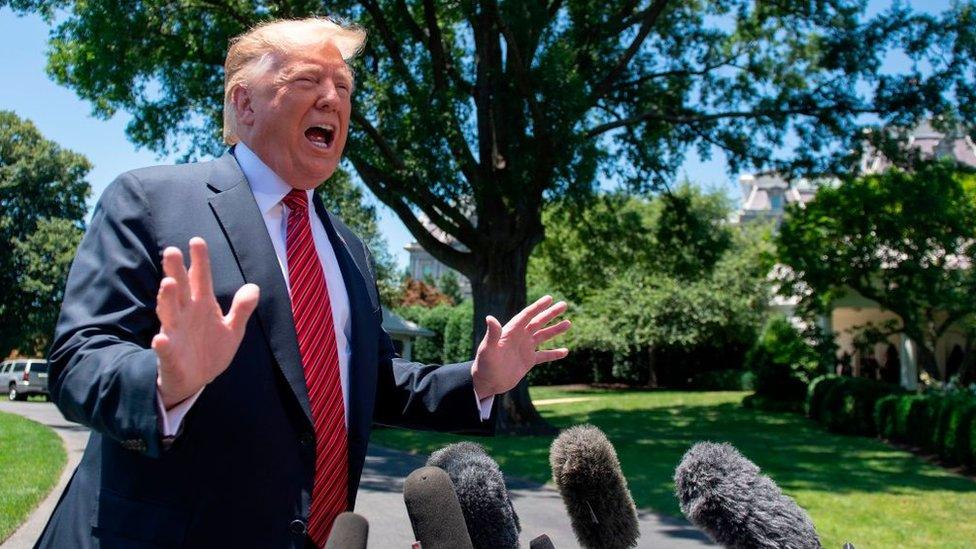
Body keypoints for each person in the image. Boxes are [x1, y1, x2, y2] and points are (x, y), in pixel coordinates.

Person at [38, 17, 570, 548]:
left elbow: (369, 382)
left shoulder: (352, 250)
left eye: (343, 87)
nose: (332, 99)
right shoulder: (149, 202)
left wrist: (478, 380)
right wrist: (164, 381)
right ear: (244, 103)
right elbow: (78, 362)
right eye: (307, 82)